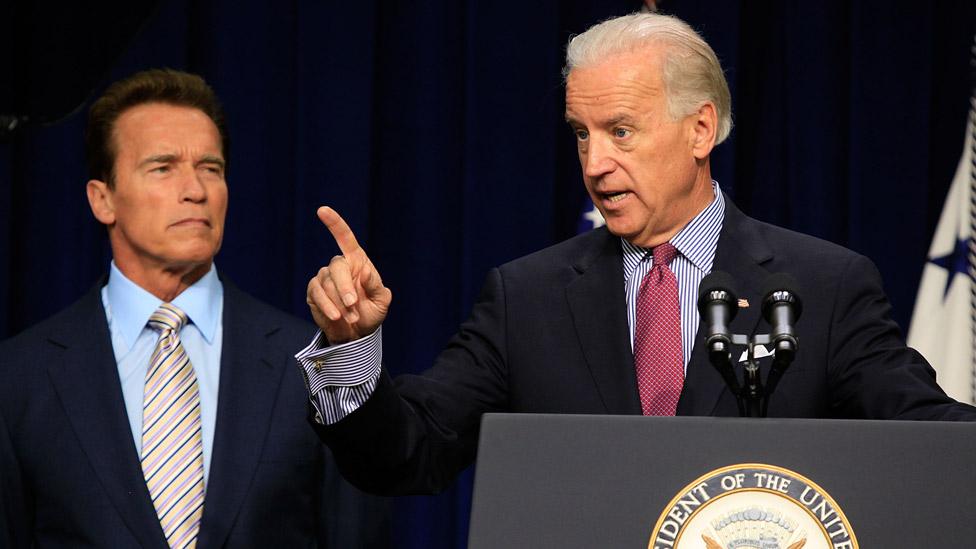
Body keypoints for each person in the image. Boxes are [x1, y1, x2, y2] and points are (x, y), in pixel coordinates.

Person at [297, 13, 976, 496]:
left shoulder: (823, 287)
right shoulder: (525, 298)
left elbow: (921, 433)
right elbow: (409, 451)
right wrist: (350, 353)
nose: (595, 163)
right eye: (581, 134)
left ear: (701, 128)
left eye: (621, 131)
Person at [0, 69, 389, 548]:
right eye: (163, 167)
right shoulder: (19, 378)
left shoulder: (311, 363)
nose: (197, 190)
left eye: (211, 168)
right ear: (103, 200)